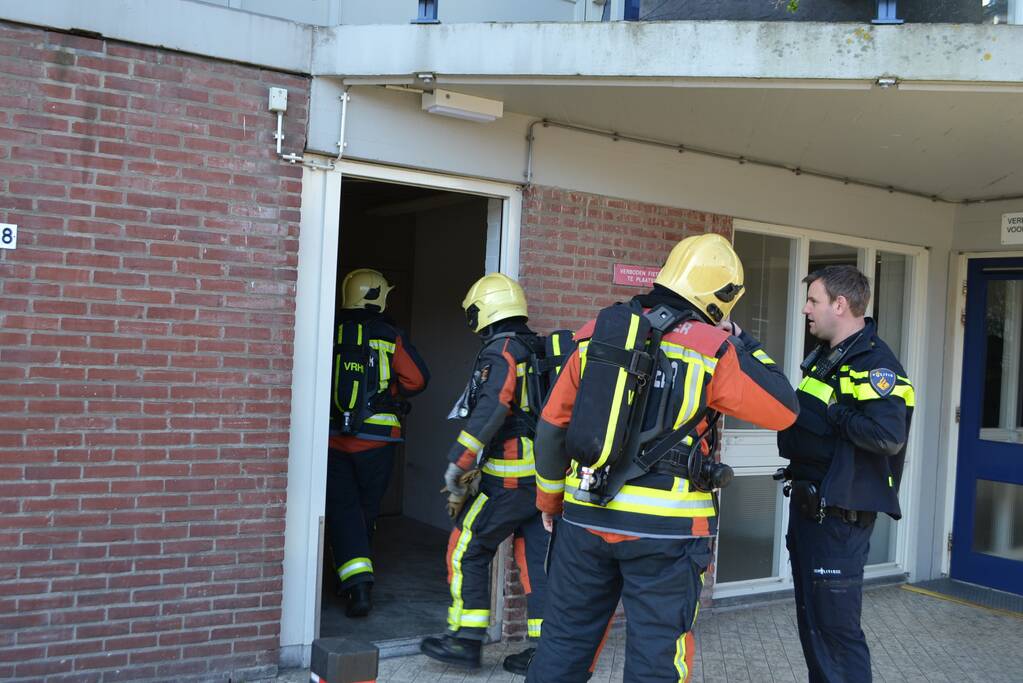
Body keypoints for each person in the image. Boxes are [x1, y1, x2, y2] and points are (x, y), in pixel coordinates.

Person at [528, 233, 799, 682]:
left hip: (584, 520)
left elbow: (552, 426)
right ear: (722, 296)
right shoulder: (714, 348)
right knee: (657, 659)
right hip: (667, 534)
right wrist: (746, 342)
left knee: (562, 645)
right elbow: (784, 409)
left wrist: (550, 503)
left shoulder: (594, 334)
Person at [777, 265, 914, 683]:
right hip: (811, 512)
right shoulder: (828, 357)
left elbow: (888, 435)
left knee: (836, 633)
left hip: (838, 521)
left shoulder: (875, 364)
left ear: (840, 304)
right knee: (815, 626)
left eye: (813, 300)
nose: (805, 309)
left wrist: (834, 412)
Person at [420, 273, 549, 676]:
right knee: (538, 564)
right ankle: (545, 651)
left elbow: (492, 408)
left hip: (508, 480)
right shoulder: (539, 348)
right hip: (544, 483)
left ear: (486, 310)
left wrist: (459, 462)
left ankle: (465, 640)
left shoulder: (502, 351)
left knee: (466, 549)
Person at [326, 268, 429, 617]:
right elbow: (417, 379)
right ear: (378, 296)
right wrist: (386, 394)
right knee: (366, 510)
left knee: (341, 509)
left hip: (334, 439)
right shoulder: (388, 333)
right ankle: (359, 581)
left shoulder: (331, 325)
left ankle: (355, 583)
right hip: (378, 439)